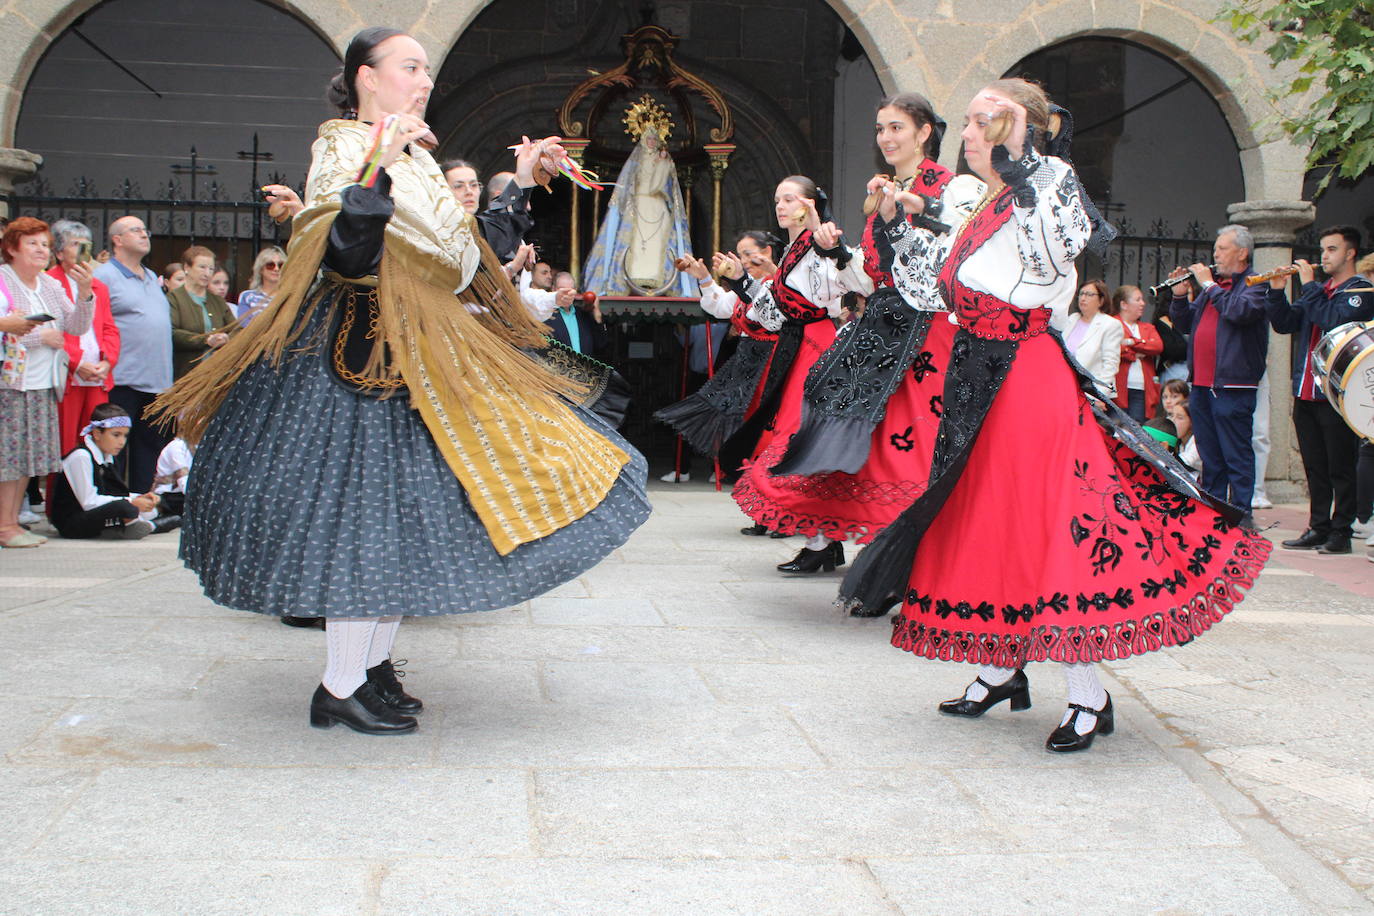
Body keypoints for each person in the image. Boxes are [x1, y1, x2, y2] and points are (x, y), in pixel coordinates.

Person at [150, 27, 649, 736]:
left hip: (421, 353)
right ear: (365, 76)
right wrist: (376, 164)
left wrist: (520, 184)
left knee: (400, 519)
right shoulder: (343, 147)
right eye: (409, 67)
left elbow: (467, 257)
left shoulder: (416, 159)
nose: (423, 80)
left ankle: (369, 668)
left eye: (425, 69)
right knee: (362, 518)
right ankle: (340, 684)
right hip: (356, 360)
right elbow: (346, 255)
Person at [837, 78, 1270, 753]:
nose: (969, 133)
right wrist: (899, 226)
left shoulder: (1048, 181)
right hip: (975, 374)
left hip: (1024, 372)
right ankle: (999, 669)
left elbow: (1057, 251)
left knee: (1049, 520)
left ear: (1022, 127)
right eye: (970, 121)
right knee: (987, 517)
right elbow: (934, 291)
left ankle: (1087, 693)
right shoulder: (979, 200)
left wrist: (1024, 168)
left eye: (985, 120)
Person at [733, 92, 984, 589]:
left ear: (924, 132)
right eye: (880, 129)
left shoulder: (951, 188)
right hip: (880, 329)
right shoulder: (881, 196)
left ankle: (912, 560)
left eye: (896, 127)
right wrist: (837, 253)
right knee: (841, 436)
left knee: (912, 447)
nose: (886, 138)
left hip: (928, 333)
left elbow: (949, 261)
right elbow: (868, 281)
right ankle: (848, 546)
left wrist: (904, 218)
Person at [656, 231, 784, 511]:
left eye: (749, 254)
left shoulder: (780, 284)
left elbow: (773, 315)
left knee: (770, 434)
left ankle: (774, 504)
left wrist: (749, 279)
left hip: (773, 367)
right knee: (749, 434)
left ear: (767, 252)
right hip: (748, 370)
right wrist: (703, 277)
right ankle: (760, 505)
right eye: (740, 254)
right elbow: (720, 306)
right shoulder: (743, 288)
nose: (744, 260)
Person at [1266, 226, 1374, 555]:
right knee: (1315, 466)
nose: (1324, 256)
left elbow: (1332, 321)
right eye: (1323, 249)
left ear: (1350, 253)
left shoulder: (1361, 291)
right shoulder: (1321, 290)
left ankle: (1341, 532)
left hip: (1336, 397)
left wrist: (1309, 285)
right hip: (1306, 391)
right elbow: (1285, 323)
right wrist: (1276, 292)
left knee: (1340, 466)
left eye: (1332, 249)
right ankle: (1318, 526)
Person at [0, 217, 95, 548]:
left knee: (28, 457)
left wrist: (85, 293)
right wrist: (41, 337)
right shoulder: (3, 279)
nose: (41, 250)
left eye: (44, 244)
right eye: (32, 243)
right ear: (12, 248)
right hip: (10, 383)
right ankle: (5, 526)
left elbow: (76, 326)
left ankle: (12, 523)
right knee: (9, 457)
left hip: (43, 382)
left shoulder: (50, 285)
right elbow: (7, 331)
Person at [1168, 224, 1268, 521]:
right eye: (1215, 249)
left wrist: (1209, 286)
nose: (1216, 255)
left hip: (1233, 385)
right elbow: (1186, 324)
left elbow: (1240, 312)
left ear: (1242, 253)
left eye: (1222, 249)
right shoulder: (1213, 288)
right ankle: (1213, 514)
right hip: (1201, 384)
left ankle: (1241, 515)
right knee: (1209, 454)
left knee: (1236, 453)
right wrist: (1179, 297)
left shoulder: (1255, 284)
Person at [94, 216, 173, 492]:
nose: (144, 235)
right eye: (135, 230)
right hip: (123, 378)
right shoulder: (104, 276)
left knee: (150, 446)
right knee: (114, 446)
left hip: (157, 380)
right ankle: (113, 502)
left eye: (144, 230)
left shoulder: (151, 276)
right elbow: (96, 325)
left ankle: (142, 501)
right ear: (117, 239)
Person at [48, 219, 120, 454]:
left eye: (86, 244)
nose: (82, 249)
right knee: (65, 443)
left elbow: (110, 328)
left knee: (96, 443)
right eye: (75, 244)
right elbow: (52, 330)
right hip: (68, 375)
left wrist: (108, 361)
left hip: (97, 375)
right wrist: (77, 363)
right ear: (59, 253)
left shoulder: (98, 286)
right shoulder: (49, 283)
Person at [49, 403, 172, 539]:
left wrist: (140, 497)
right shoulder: (81, 456)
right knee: (126, 508)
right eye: (116, 435)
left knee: (157, 502)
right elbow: (89, 502)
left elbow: (115, 493)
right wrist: (132, 502)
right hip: (72, 521)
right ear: (97, 434)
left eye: (125, 436)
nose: (122, 442)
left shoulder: (108, 457)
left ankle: (132, 526)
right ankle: (149, 526)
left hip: (93, 514)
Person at [167, 245, 235, 381]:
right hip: (185, 375)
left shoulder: (218, 301)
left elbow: (237, 329)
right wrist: (206, 340)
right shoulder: (174, 298)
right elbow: (172, 332)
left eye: (211, 269)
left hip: (217, 376)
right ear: (187, 267)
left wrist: (227, 338)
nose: (207, 273)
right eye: (202, 267)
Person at [1060, 279, 1123, 399]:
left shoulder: (1110, 324)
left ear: (1101, 300)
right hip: (1065, 387)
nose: (1083, 298)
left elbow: (1110, 366)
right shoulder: (1072, 319)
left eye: (1089, 294)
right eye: (1081, 293)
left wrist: (1098, 395)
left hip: (1091, 392)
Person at [1112, 284, 1164, 421]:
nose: (1143, 303)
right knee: (1116, 427)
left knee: (1138, 427)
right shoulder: (1111, 323)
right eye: (1138, 299)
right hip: (1117, 389)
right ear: (1124, 305)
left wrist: (1131, 342)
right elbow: (1114, 348)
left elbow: (1157, 346)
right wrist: (1134, 354)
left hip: (1142, 389)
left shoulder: (1148, 328)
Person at [544, 270, 607, 357]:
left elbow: (601, 345)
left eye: (570, 290)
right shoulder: (545, 315)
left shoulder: (583, 315)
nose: (567, 294)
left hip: (584, 365)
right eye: (562, 289)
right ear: (553, 289)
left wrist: (598, 316)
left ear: (575, 291)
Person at [235, 246, 286, 323]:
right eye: (270, 265)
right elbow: (244, 324)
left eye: (281, 265)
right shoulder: (247, 296)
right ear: (261, 269)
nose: (276, 269)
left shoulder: (289, 297)